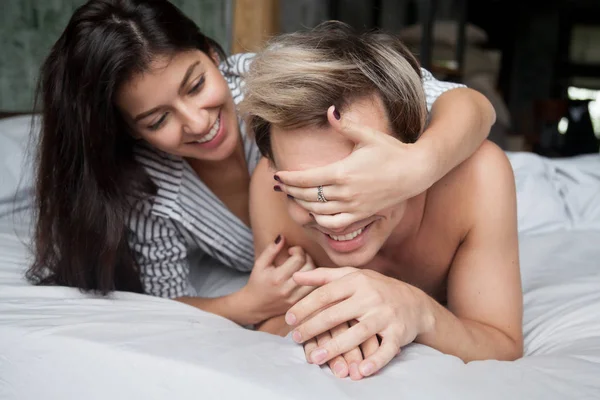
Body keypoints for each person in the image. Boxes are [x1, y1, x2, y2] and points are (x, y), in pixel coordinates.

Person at [27, 0, 495, 333]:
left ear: (213, 57)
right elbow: (164, 302)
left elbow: (462, 105)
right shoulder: (149, 192)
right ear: (131, 130)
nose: (197, 122)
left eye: (195, 86)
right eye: (158, 119)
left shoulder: (274, 82)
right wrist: (247, 303)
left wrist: (418, 166)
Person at [243, 21, 523, 380]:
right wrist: (317, 321)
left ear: (409, 150)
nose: (335, 220)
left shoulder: (479, 179)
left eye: (358, 182)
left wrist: (421, 311)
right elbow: (271, 316)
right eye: (307, 191)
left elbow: (502, 343)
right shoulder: (270, 186)